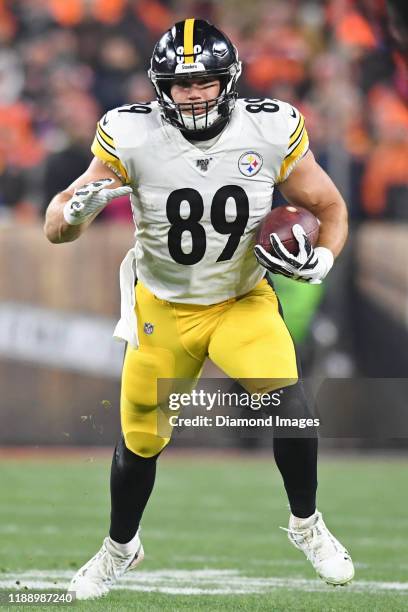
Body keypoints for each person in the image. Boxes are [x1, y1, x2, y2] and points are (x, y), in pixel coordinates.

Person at [44, 18, 354, 600]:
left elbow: (330, 206)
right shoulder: (129, 133)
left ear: (228, 80)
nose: (193, 94)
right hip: (162, 305)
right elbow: (55, 226)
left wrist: (324, 260)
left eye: (205, 81)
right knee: (140, 442)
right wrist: (75, 213)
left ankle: (306, 525)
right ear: (160, 86)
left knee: (291, 404)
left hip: (240, 300)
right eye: (180, 84)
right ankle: (120, 549)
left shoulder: (270, 127)